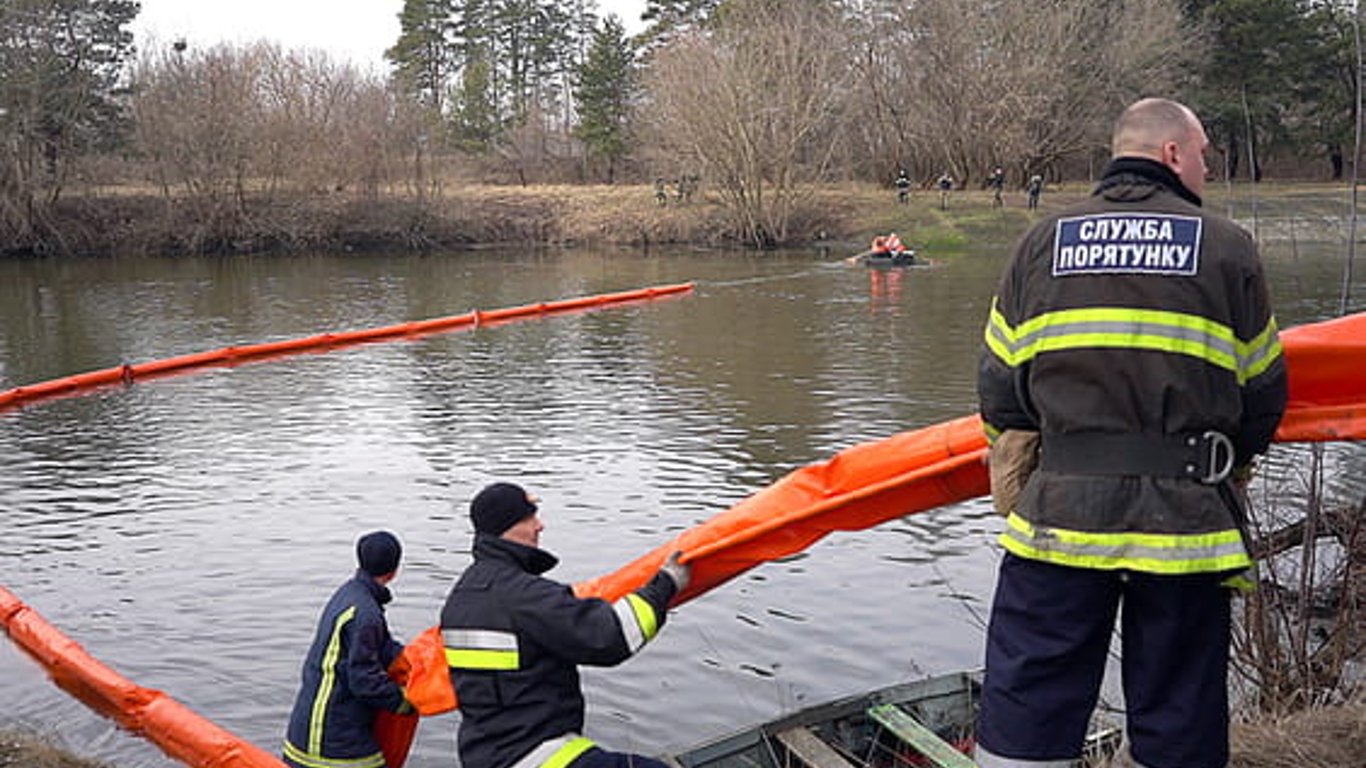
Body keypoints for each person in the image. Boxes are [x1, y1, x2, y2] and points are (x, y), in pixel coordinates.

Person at [974, 98, 1288, 768]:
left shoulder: (1040, 244)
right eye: (1204, 153)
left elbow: (1000, 388)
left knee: (1026, 707)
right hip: (1187, 523)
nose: (1207, 167)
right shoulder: (1228, 247)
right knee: (1178, 712)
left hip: (1058, 517)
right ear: (1172, 154)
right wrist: (1228, 468)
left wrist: (1030, 462)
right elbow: (1263, 393)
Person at [441, 482, 691, 768]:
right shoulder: (524, 595)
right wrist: (665, 586)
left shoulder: (460, 598)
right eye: (529, 517)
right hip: (539, 755)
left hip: (486, 756)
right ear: (507, 526)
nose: (540, 525)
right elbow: (610, 637)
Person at [283, 531, 413, 768]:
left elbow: (382, 647)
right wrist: (406, 702)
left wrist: (413, 659)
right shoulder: (367, 614)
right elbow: (363, 680)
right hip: (331, 743)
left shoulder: (349, 595)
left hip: (305, 732)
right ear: (394, 571)